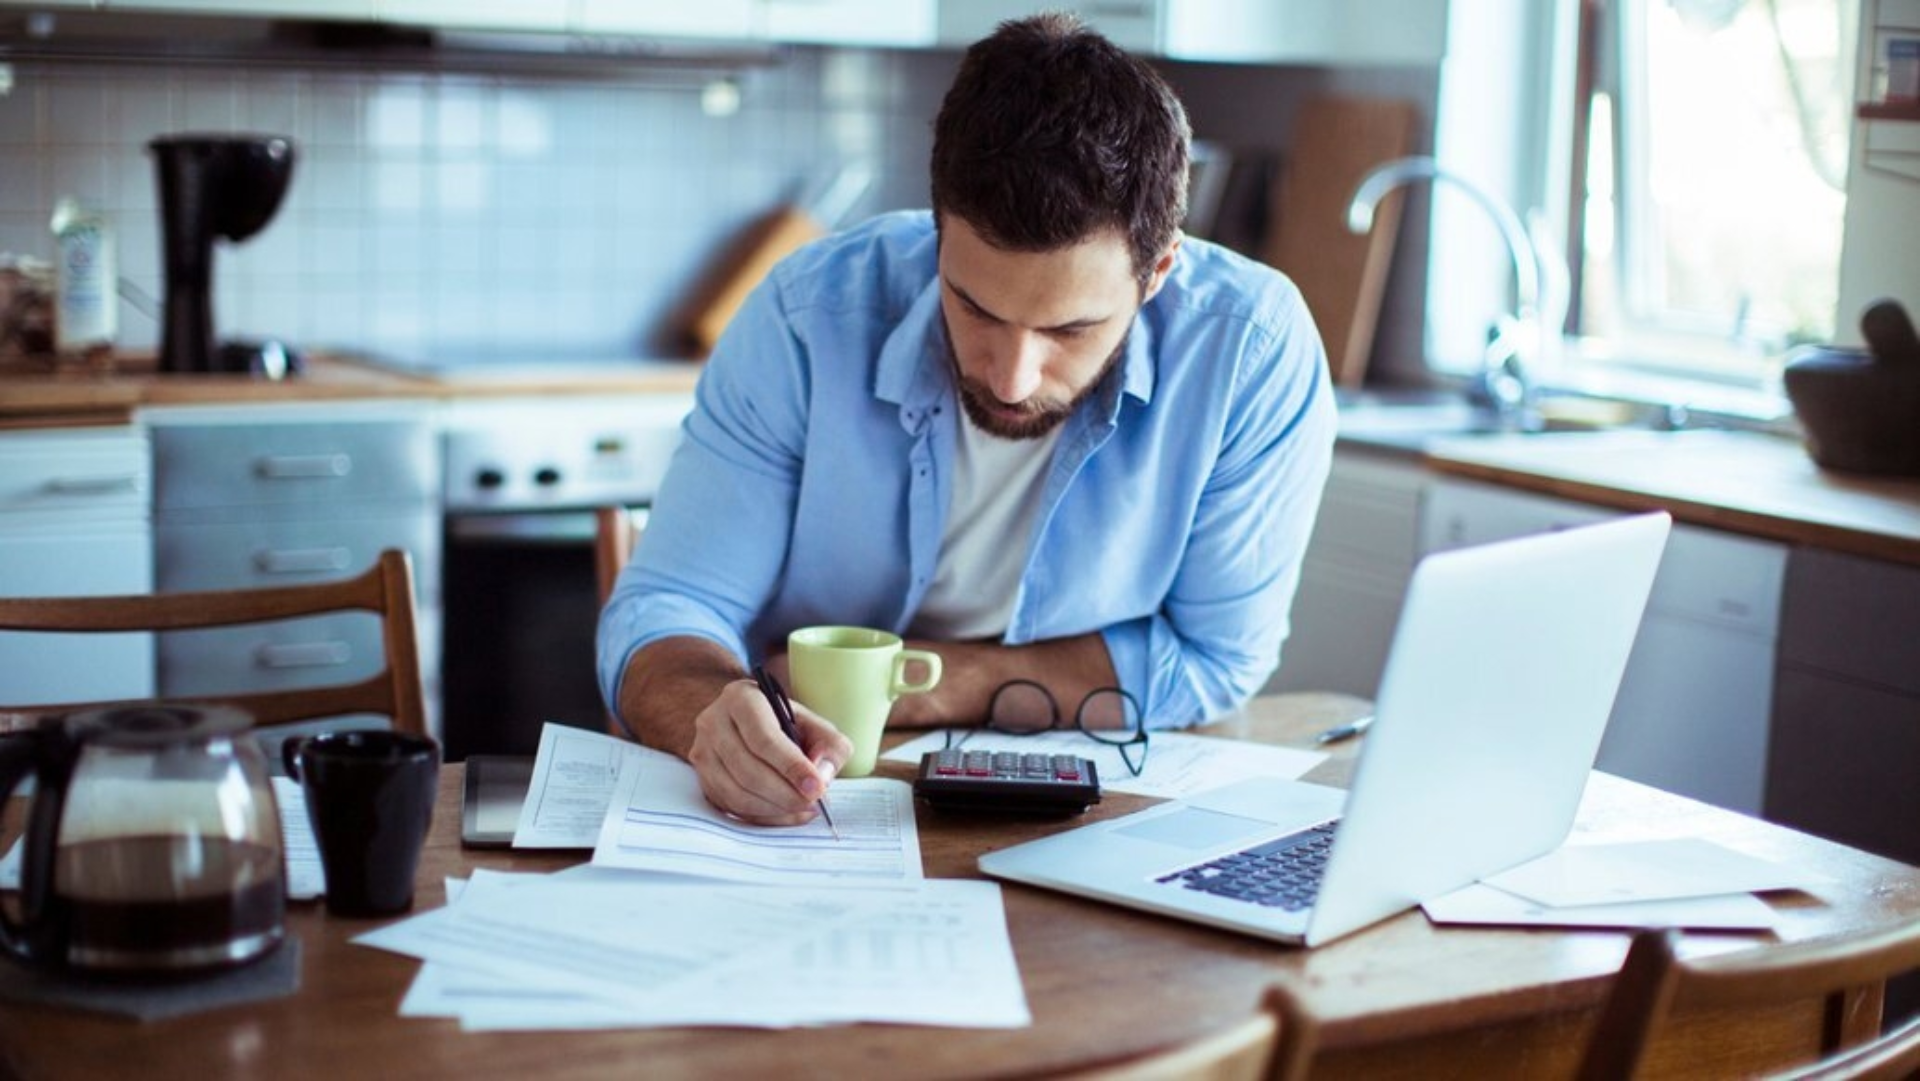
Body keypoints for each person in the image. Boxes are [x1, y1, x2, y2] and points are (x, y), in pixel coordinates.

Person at [597, 12, 1336, 826]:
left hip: (1078, 814)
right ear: (937, 230)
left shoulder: (1249, 351)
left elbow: (1215, 660)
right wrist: (712, 713)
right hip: (811, 808)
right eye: (975, 306)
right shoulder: (806, 319)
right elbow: (666, 609)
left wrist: (925, 681)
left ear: (1157, 271)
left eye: (1069, 329)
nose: (1012, 377)